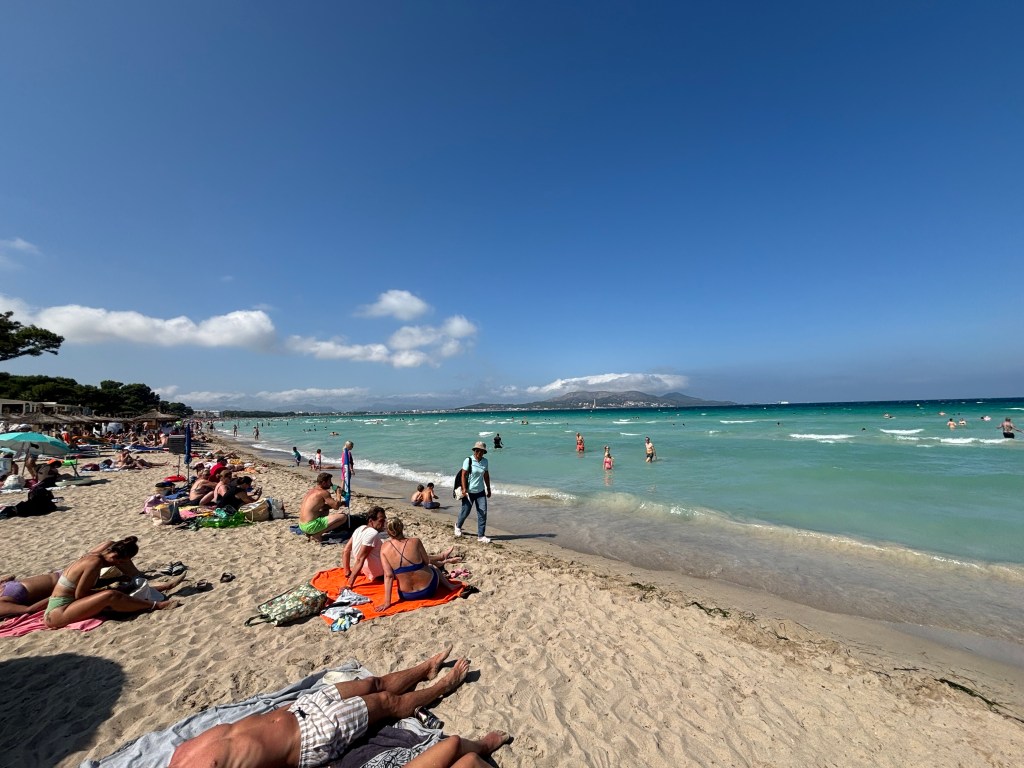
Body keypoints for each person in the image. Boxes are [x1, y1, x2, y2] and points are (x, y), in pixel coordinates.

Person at [169, 648, 511, 768]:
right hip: (311, 737)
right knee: (387, 704)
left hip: (297, 711)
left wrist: (287, 707)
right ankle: (442, 686)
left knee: (371, 684)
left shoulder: (180, 754)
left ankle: (424, 669)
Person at [43, 536, 182, 628]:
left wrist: (117, 581)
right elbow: (80, 594)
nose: (117, 565)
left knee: (123, 589)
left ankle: (164, 587)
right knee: (111, 595)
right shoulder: (94, 562)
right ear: (114, 555)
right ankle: (156, 605)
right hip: (57, 613)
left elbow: (110, 543)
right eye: (119, 562)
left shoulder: (96, 555)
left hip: (66, 604)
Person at [377, 517, 461, 612]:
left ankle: (442, 557)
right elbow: (426, 561)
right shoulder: (415, 541)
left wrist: (387, 602)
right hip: (428, 590)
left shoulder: (384, 548)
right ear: (402, 527)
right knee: (432, 566)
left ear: (388, 531)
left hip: (406, 595)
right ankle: (450, 585)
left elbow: (388, 576)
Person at [455, 442, 492, 544]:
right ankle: (458, 526)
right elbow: (463, 475)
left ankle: (481, 535)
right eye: (477, 450)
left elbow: (486, 476)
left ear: (484, 452)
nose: (479, 453)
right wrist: (464, 488)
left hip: (480, 492)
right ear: (475, 451)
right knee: (465, 511)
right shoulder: (468, 460)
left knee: (482, 512)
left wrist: (488, 488)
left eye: (481, 451)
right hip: (469, 492)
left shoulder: (485, 462)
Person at [342, 506, 387, 588]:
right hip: (380, 574)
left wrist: (347, 571)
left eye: (384, 520)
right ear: (371, 521)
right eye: (381, 521)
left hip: (367, 571)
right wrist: (349, 584)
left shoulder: (360, 529)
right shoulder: (372, 533)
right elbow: (360, 558)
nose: (383, 523)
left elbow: (346, 550)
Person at [299, 472, 349, 540]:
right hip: (310, 526)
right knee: (343, 517)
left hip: (302, 525)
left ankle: (313, 531)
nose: (331, 484)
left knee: (325, 510)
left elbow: (323, 506)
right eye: (329, 481)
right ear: (323, 483)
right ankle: (317, 534)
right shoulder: (324, 493)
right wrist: (338, 494)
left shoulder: (312, 491)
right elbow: (336, 507)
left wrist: (341, 503)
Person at [340, 441, 355, 507]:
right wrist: (351, 470)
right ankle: (343, 491)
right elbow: (349, 462)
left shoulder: (344, 452)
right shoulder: (348, 453)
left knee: (343, 479)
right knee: (346, 479)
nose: (352, 447)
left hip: (343, 467)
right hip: (346, 468)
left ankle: (341, 490)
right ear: (349, 446)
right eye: (352, 446)